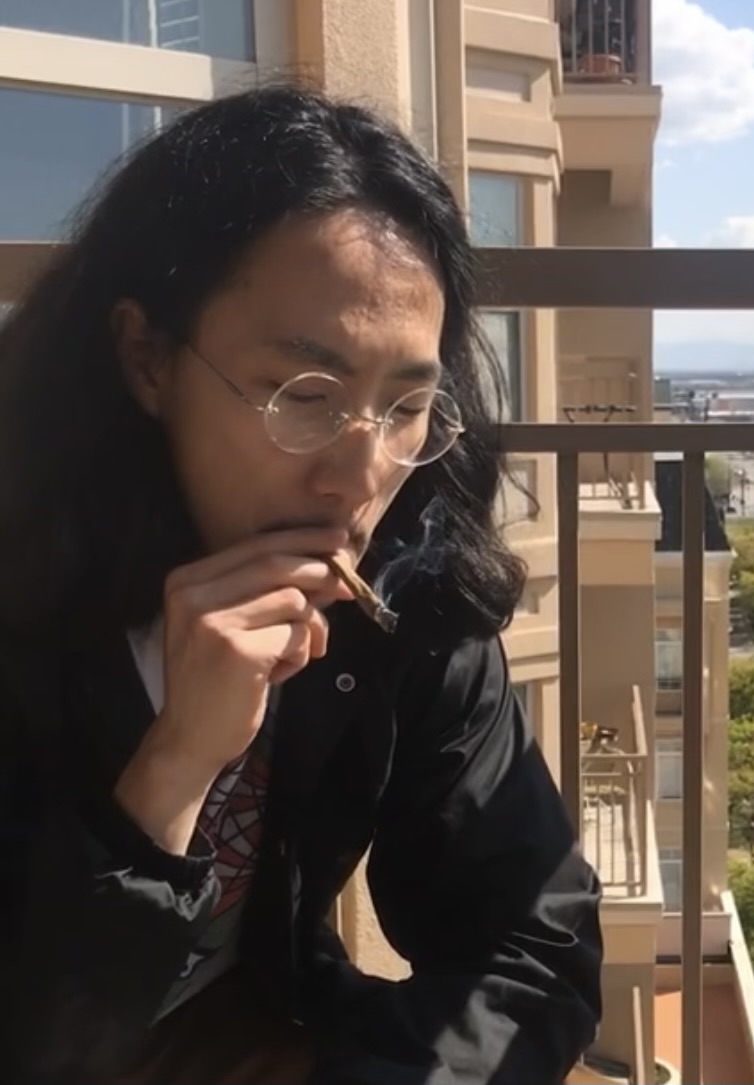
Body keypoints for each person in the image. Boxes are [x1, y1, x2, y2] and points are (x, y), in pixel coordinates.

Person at [0, 85, 602, 1084]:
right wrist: (174, 765)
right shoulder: (27, 587)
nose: (358, 479)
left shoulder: (405, 585)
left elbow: (533, 948)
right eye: (303, 394)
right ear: (145, 356)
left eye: (404, 406)